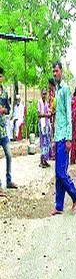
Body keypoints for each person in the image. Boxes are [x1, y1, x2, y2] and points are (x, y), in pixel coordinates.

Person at [50, 61, 76, 216]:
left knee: (62, 173)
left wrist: (69, 138)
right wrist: (56, 139)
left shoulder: (66, 89)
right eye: (53, 71)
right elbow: (59, 115)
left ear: (61, 71)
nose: (54, 74)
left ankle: (75, 195)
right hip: (58, 136)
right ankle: (59, 206)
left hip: (64, 137)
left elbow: (68, 115)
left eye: (56, 71)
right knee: (58, 173)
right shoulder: (57, 90)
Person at [0, 67, 17, 197]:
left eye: (1, 76)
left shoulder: (4, 92)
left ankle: (9, 180)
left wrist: (4, 110)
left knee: (9, 155)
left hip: (3, 130)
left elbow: (8, 108)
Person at [38, 89, 52, 168]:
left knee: (47, 142)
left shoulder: (46, 103)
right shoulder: (39, 102)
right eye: (43, 94)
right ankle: (41, 161)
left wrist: (49, 113)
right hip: (42, 124)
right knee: (43, 142)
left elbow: (47, 112)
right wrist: (46, 115)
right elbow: (39, 115)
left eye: (45, 94)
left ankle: (45, 160)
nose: (44, 95)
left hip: (46, 124)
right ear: (41, 94)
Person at [48, 77, 56, 160]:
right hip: (50, 115)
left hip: (54, 115)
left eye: (48, 84)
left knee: (54, 134)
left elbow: (54, 105)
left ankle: (54, 153)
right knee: (51, 134)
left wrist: (52, 111)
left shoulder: (55, 93)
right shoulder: (50, 93)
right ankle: (52, 153)